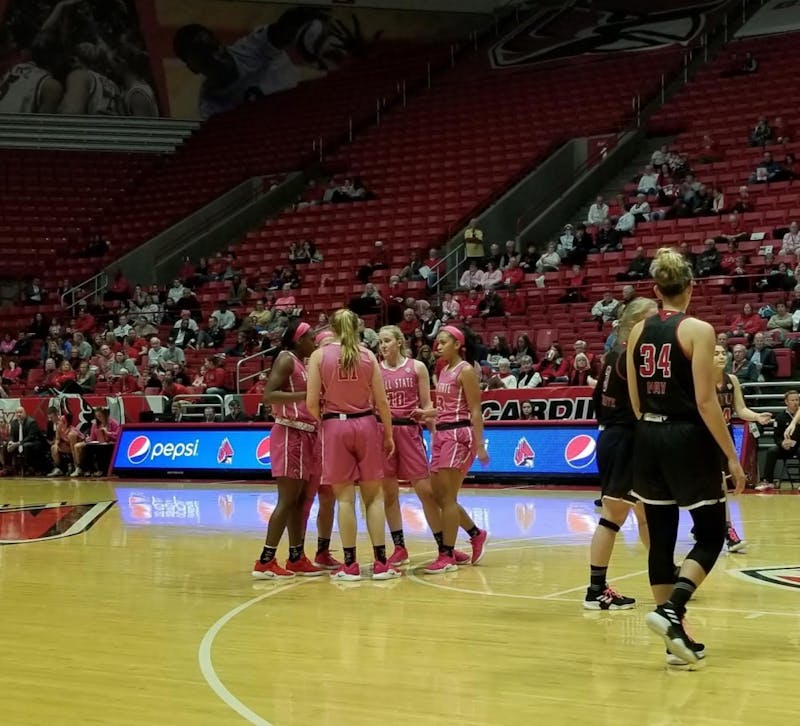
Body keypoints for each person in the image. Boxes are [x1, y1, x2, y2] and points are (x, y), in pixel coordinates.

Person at [627, 248, 746, 669]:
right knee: (712, 534)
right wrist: (731, 457)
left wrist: (652, 432)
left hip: (648, 435)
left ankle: (673, 641)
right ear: (691, 286)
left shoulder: (638, 330)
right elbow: (705, 400)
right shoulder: (699, 329)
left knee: (660, 540)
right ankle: (672, 609)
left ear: (657, 290)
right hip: (686, 437)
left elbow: (635, 400)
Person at [306, 309, 400, 581]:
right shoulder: (369, 355)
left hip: (336, 425)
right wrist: (389, 434)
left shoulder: (319, 356)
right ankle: (382, 563)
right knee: (374, 497)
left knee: (344, 499)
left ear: (331, 328)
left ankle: (350, 565)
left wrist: (326, 421)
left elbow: (312, 403)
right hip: (367, 423)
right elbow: (382, 402)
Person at [377, 326, 473, 568]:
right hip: (384, 432)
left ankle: (444, 548)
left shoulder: (416, 367)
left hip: (410, 432)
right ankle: (399, 547)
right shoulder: (375, 371)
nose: (383, 345)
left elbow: (428, 404)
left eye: (387, 340)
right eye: (380, 342)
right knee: (389, 494)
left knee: (427, 493)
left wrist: (435, 432)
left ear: (399, 342)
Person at [585, 298, 658, 611]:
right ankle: (596, 590)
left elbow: (595, 400)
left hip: (614, 436)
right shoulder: (631, 354)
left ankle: (664, 570)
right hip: (625, 439)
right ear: (639, 320)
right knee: (613, 518)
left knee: (645, 513)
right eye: (654, 318)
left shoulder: (613, 355)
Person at [253, 320, 326, 579]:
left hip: (306, 434)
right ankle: (265, 560)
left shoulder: (302, 363)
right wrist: (306, 396)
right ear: (297, 339)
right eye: (309, 338)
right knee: (286, 501)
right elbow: (269, 395)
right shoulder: (285, 359)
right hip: (289, 433)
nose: (313, 342)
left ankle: (296, 557)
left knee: (299, 502)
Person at [414, 325, 489, 573]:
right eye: (438, 342)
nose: (438, 345)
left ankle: (446, 555)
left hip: (459, 435)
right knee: (438, 496)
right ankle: (475, 534)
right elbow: (447, 408)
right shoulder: (444, 370)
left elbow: (475, 410)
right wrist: (427, 413)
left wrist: (479, 445)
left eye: (443, 342)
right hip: (441, 434)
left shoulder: (465, 370)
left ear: (457, 344)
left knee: (448, 498)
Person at [711, 344, 772, 550]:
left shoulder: (733, 380)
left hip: (726, 435)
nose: (721, 356)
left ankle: (719, 527)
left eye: (722, 353)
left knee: (719, 484)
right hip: (705, 437)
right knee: (714, 485)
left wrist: (757, 417)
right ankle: (726, 530)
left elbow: (741, 409)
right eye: (715, 353)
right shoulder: (699, 381)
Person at [761, 390, 800, 491]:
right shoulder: (780, 417)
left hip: (798, 446)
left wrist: (795, 442)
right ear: (786, 402)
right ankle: (768, 482)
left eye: (797, 400)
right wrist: (782, 443)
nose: (795, 402)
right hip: (786, 447)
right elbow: (777, 437)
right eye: (792, 400)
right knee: (771, 451)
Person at [72, 407, 121, 477]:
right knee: (88, 447)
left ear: (105, 415)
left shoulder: (113, 423)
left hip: (110, 444)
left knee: (101, 449)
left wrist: (108, 433)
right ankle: (88, 469)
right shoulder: (95, 425)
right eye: (97, 416)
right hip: (99, 443)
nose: (99, 418)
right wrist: (88, 439)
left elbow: (118, 435)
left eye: (100, 416)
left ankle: (101, 470)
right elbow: (92, 437)